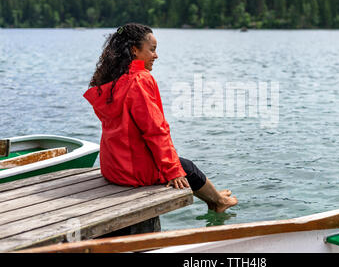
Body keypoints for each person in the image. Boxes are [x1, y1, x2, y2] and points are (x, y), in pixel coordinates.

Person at [84, 23, 238, 213]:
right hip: (132, 171)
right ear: (134, 50)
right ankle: (217, 202)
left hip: (113, 167)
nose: (156, 55)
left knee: (181, 165)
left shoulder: (110, 80)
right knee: (186, 168)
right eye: (152, 50)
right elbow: (155, 130)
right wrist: (173, 170)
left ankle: (213, 195)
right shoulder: (140, 80)